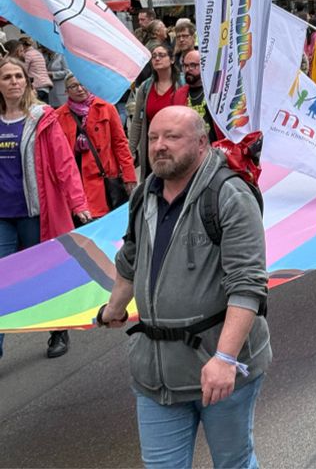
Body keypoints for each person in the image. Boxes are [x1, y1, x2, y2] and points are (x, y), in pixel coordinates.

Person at [98, 106, 270, 469]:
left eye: (172, 137)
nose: (160, 146)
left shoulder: (229, 194)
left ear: (202, 143)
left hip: (219, 369)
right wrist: (115, 308)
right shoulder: (144, 193)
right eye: (154, 138)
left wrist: (225, 359)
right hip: (156, 372)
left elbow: (248, 284)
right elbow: (131, 258)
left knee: (233, 463)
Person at [0, 55, 91, 361]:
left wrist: (78, 203)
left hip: (37, 213)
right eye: (6, 77)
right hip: (3, 216)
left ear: (27, 81)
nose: (13, 82)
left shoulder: (42, 117)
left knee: (45, 276)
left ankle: (58, 331)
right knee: (2, 280)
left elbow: (64, 162)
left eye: (18, 76)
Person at [55, 74, 137, 217]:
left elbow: (120, 144)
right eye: (74, 86)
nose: (80, 89)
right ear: (66, 91)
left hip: (105, 182)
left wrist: (129, 176)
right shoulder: (59, 116)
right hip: (76, 184)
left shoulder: (106, 108)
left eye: (83, 84)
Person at [129, 44, 181, 177]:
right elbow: (137, 122)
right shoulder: (145, 88)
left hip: (178, 145)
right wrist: (131, 149)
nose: (157, 59)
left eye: (161, 55)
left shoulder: (183, 84)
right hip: (155, 148)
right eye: (154, 56)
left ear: (172, 59)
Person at [174, 49, 220, 142]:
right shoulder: (179, 94)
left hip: (215, 150)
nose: (187, 69)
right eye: (185, 66)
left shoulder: (216, 90)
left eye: (193, 65)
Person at [15, 37, 53, 103]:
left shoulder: (27, 55)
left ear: (23, 46)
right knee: (44, 108)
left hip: (37, 85)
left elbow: (23, 70)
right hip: (45, 85)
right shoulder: (38, 53)